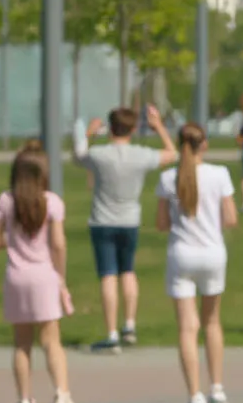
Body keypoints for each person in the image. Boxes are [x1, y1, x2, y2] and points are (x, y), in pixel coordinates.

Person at [73, 103, 179, 351]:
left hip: (102, 221)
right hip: (130, 220)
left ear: (111, 128)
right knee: (128, 272)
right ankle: (129, 324)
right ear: (132, 129)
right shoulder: (141, 155)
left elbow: (78, 154)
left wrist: (89, 133)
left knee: (108, 276)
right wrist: (159, 127)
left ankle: (111, 333)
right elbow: (172, 153)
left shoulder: (100, 154)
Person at [0, 141, 83, 403]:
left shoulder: (6, 201)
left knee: (21, 344)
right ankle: (62, 394)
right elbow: (58, 243)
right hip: (43, 276)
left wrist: (14, 240)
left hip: (16, 277)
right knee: (51, 341)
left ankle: (23, 401)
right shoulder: (52, 202)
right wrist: (61, 276)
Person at [156, 122, 239, 403]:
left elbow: (162, 224)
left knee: (187, 329)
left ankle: (195, 397)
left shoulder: (168, 178)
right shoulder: (220, 175)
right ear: (204, 144)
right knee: (212, 323)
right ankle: (217, 390)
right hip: (213, 254)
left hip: (182, 255)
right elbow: (230, 218)